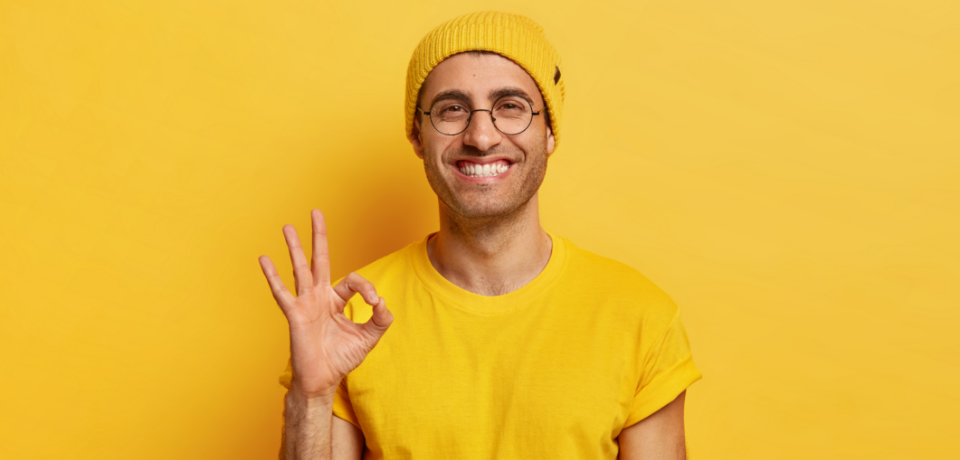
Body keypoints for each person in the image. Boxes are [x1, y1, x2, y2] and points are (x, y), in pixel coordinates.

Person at [258, 11, 702, 460]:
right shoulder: (354, 319)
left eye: (511, 106)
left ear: (550, 131)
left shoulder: (640, 318)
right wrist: (311, 396)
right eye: (453, 109)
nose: (482, 136)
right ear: (416, 135)